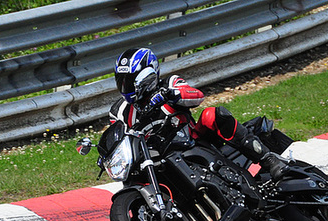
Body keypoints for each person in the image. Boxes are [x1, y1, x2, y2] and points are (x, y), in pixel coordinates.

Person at [110, 47, 288, 180]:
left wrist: (172, 94)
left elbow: (196, 95)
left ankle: (269, 159)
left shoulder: (169, 84)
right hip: (156, 159)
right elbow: (117, 140)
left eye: (131, 80)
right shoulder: (120, 110)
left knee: (211, 115)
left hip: (191, 142)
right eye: (123, 80)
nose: (127, 85)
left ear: (146, 77)